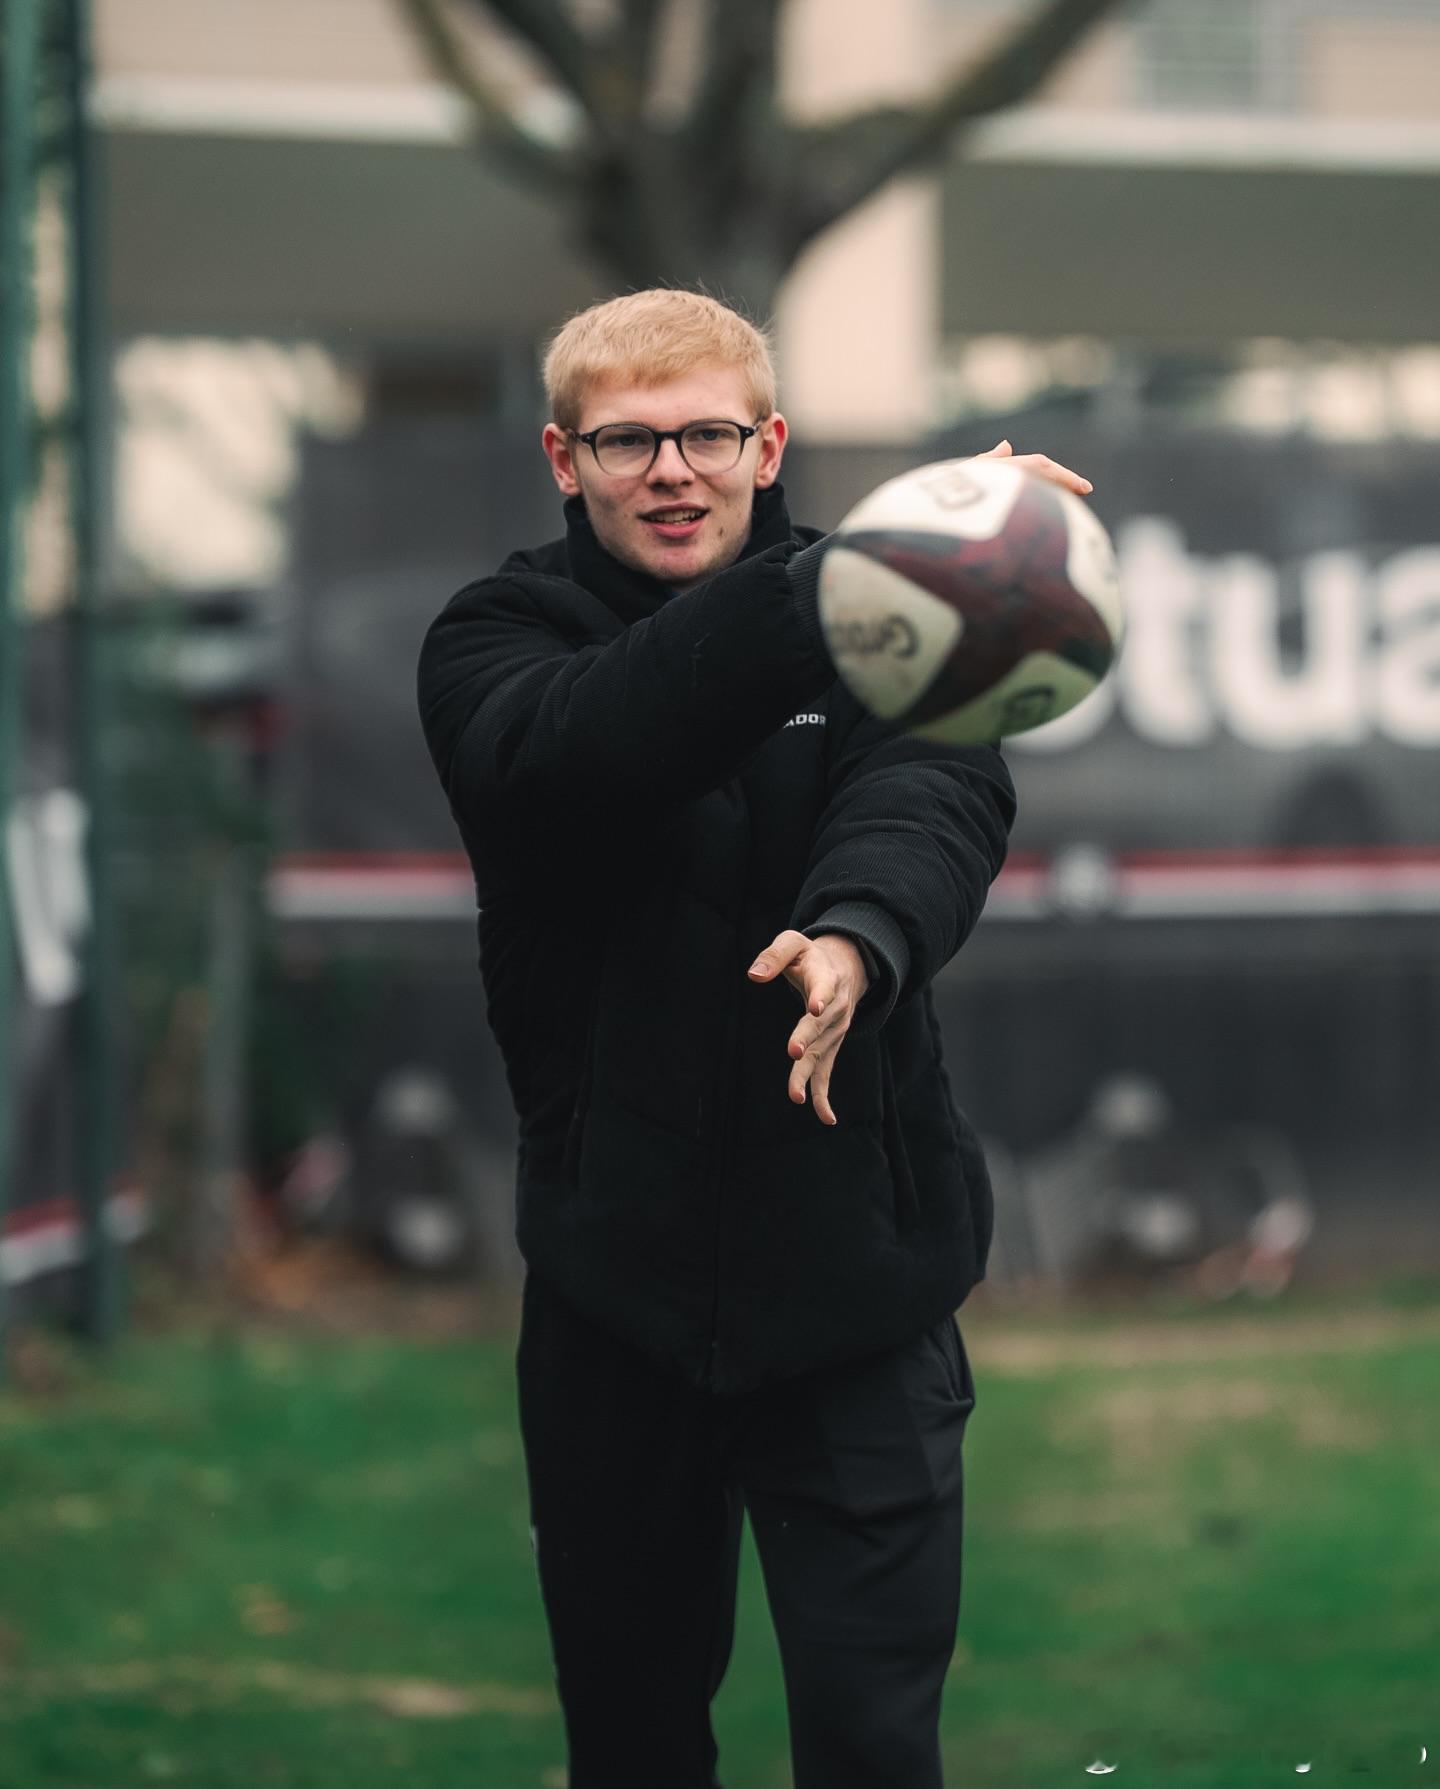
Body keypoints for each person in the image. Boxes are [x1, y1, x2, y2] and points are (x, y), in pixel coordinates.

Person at [416, 289, 1092, 1789]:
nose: (674, 471)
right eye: (629, 441)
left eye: (709, 435)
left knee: (872, 1747)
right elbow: (589, 747)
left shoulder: (893, 626)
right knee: (635, 1751)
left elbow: (934, 799)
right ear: (564, 458)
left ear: (768, 445)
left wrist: (857, 935)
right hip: (615, 1300)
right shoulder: (494, 641)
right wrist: (844, 574)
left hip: (862, 1292)